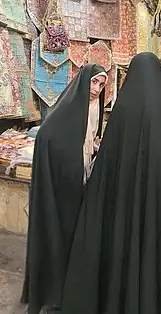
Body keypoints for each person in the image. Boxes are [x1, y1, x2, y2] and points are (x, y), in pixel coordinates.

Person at [61, 52, 161, 314]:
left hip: (126, 200)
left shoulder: (124, 107)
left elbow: (108, 161)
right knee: (159, 247)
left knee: (127, 243)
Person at [21, 64, 108, 314]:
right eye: (94, 82)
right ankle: (52, 292)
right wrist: (70, 158)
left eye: (101, 85)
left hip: (81, 178)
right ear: (83, 82)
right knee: (59, 233)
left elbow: (89, 139)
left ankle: (66, 290)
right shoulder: (70, 106)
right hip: (63, 183)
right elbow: (47, 135)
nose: (97, 89)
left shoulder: (94, 107)